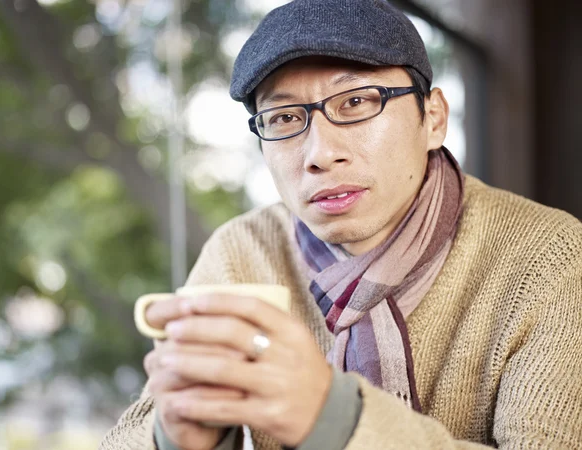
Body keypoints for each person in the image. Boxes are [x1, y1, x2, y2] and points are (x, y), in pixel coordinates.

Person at [100, 0, 582, 449]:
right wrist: (173, 434)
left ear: (432, 118)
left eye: (355, 102)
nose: (320, 154)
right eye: (285, 116)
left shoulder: (549, 257)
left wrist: (335, 418)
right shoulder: (242, 251)